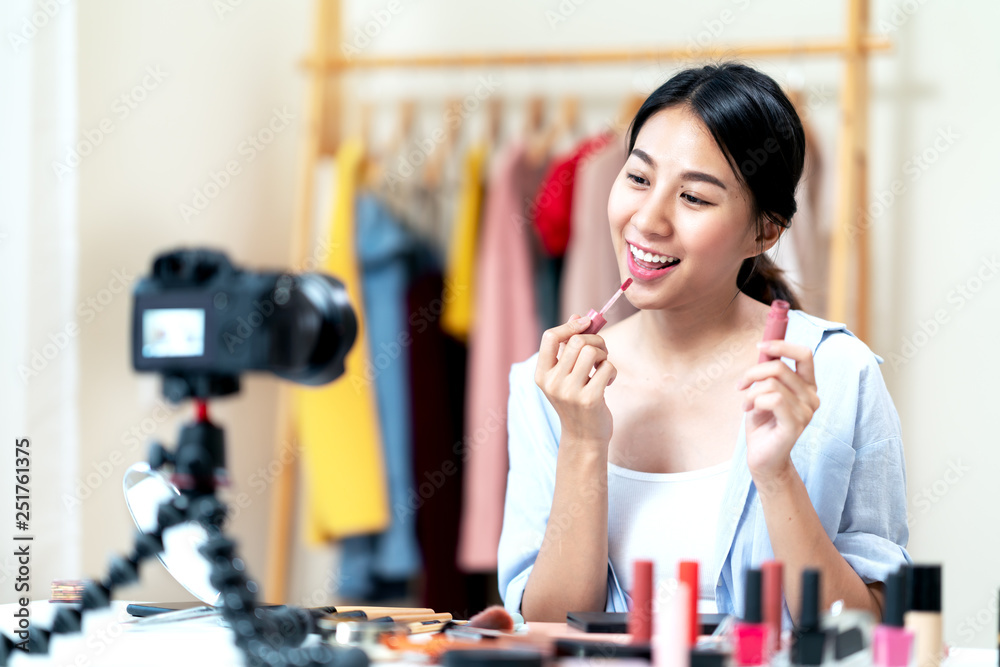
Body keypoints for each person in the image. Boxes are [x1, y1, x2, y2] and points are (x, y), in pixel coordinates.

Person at [497, 63, 909, 627]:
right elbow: (547, 625)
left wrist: (777, 476)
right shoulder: (549, 385)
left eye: (693, 197)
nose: (648, 219)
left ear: (765, 232)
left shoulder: (839, 373)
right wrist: (583, 442)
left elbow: (870, 630)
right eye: (638, 179)